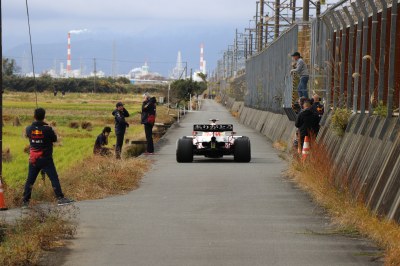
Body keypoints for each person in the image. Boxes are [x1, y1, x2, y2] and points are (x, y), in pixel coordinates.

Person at [23, 108, 74, 207]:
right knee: (54, 178)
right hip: (46, 159)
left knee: (30, 180)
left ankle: (25, 202)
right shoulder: (47, 129)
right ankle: (60, 198)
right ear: (44, 117)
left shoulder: (28, 129)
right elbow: (54, 139)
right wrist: (48, 126)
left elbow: (30, 135)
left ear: (34, 116)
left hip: (33, 159)